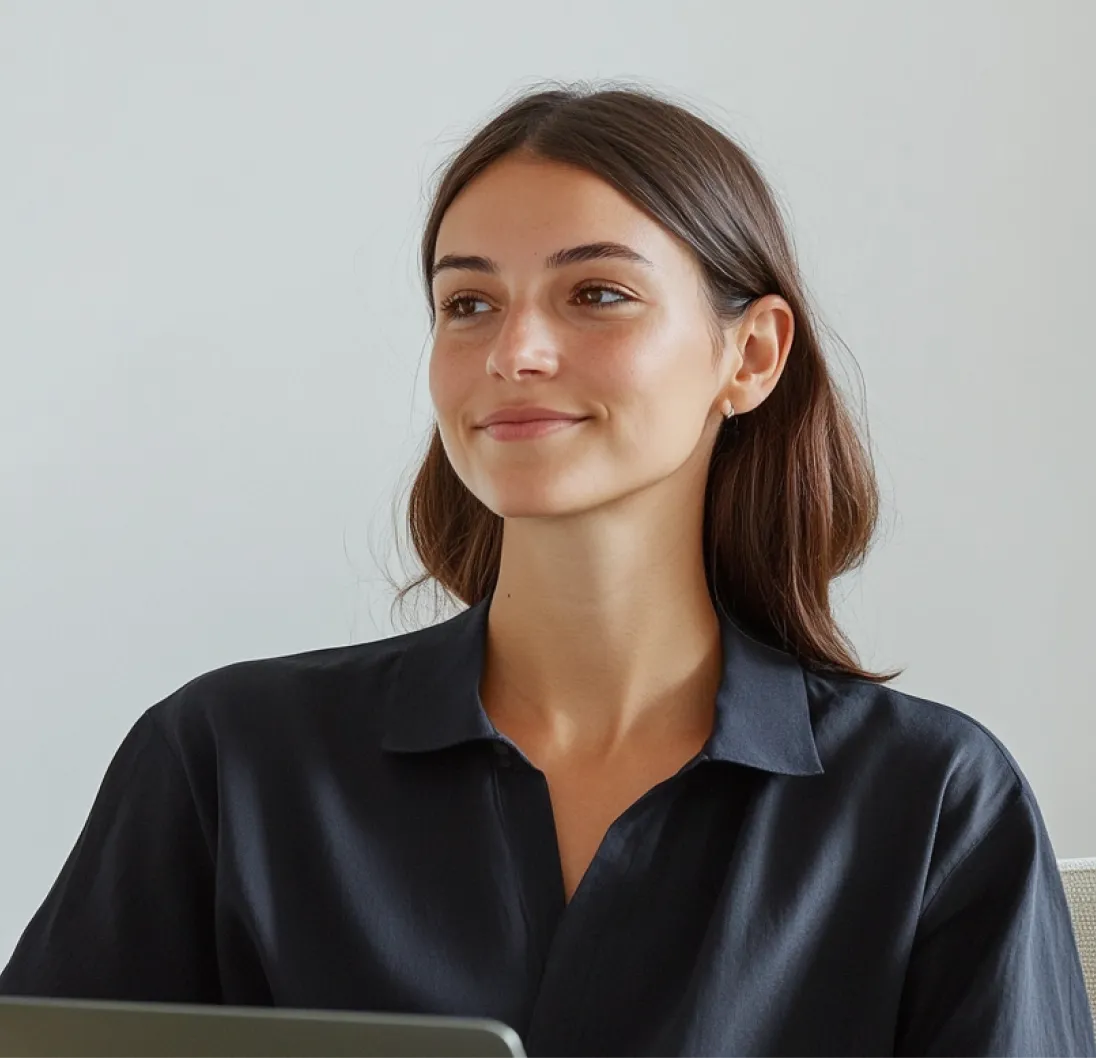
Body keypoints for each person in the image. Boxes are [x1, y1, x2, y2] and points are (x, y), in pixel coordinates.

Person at [2, 81, 1093, 1058]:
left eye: (597, 293)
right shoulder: (225, 763)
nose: (512, 351)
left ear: (751, 354)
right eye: (468, 303)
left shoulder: (933, 802)